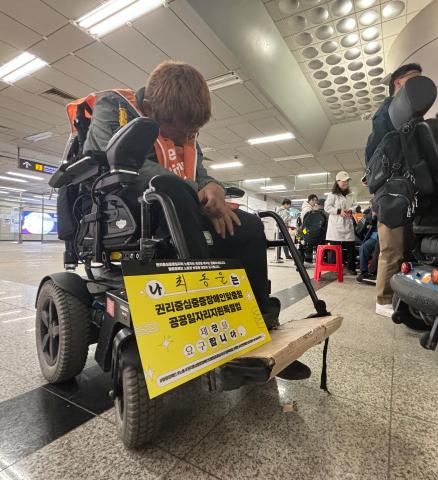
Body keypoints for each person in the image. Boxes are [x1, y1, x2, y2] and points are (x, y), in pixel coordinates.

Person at [82, 60, 309, 379]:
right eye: (181, 132)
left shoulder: (186, 130)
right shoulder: (114, 107)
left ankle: (261, 330)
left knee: (249, 226)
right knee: (172, 189)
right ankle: (207, 325)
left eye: (193, 133)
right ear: (149, 108)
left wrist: (211, 187)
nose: (187, 138)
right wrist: (192, 190)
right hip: (130, 214)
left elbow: (199, 172)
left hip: (182, 208)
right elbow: (113, 161)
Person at [365, 63, 423, 317]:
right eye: (412, 81)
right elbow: (375, 154)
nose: (418, 86)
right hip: (393, 190)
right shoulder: (388, 112)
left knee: (403, 246)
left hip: (407, 189)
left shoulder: (412, 116)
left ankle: (401, 296)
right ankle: (384, 299)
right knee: (392, 246)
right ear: (397, 85)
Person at [324, 171, 357, 275]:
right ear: (337, 181)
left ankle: (351, 267)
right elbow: (327, 207)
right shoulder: (332, 195)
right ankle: (334, 267)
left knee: (351, 246)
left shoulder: (351, 195)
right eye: (343, 181)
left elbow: (355, 206)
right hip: (336, 226)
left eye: (347, 181)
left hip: (347, 224)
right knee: (335, 247)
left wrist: (351, 210)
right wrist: (339, 211)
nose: (345, 183)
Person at [357, 211, 378, 283]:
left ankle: (373, 272)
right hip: (374, 237)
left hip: (384, 237)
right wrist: (373, 215)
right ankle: (364, 271)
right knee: (363, 247)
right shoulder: (368, 216)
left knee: (377, 251)